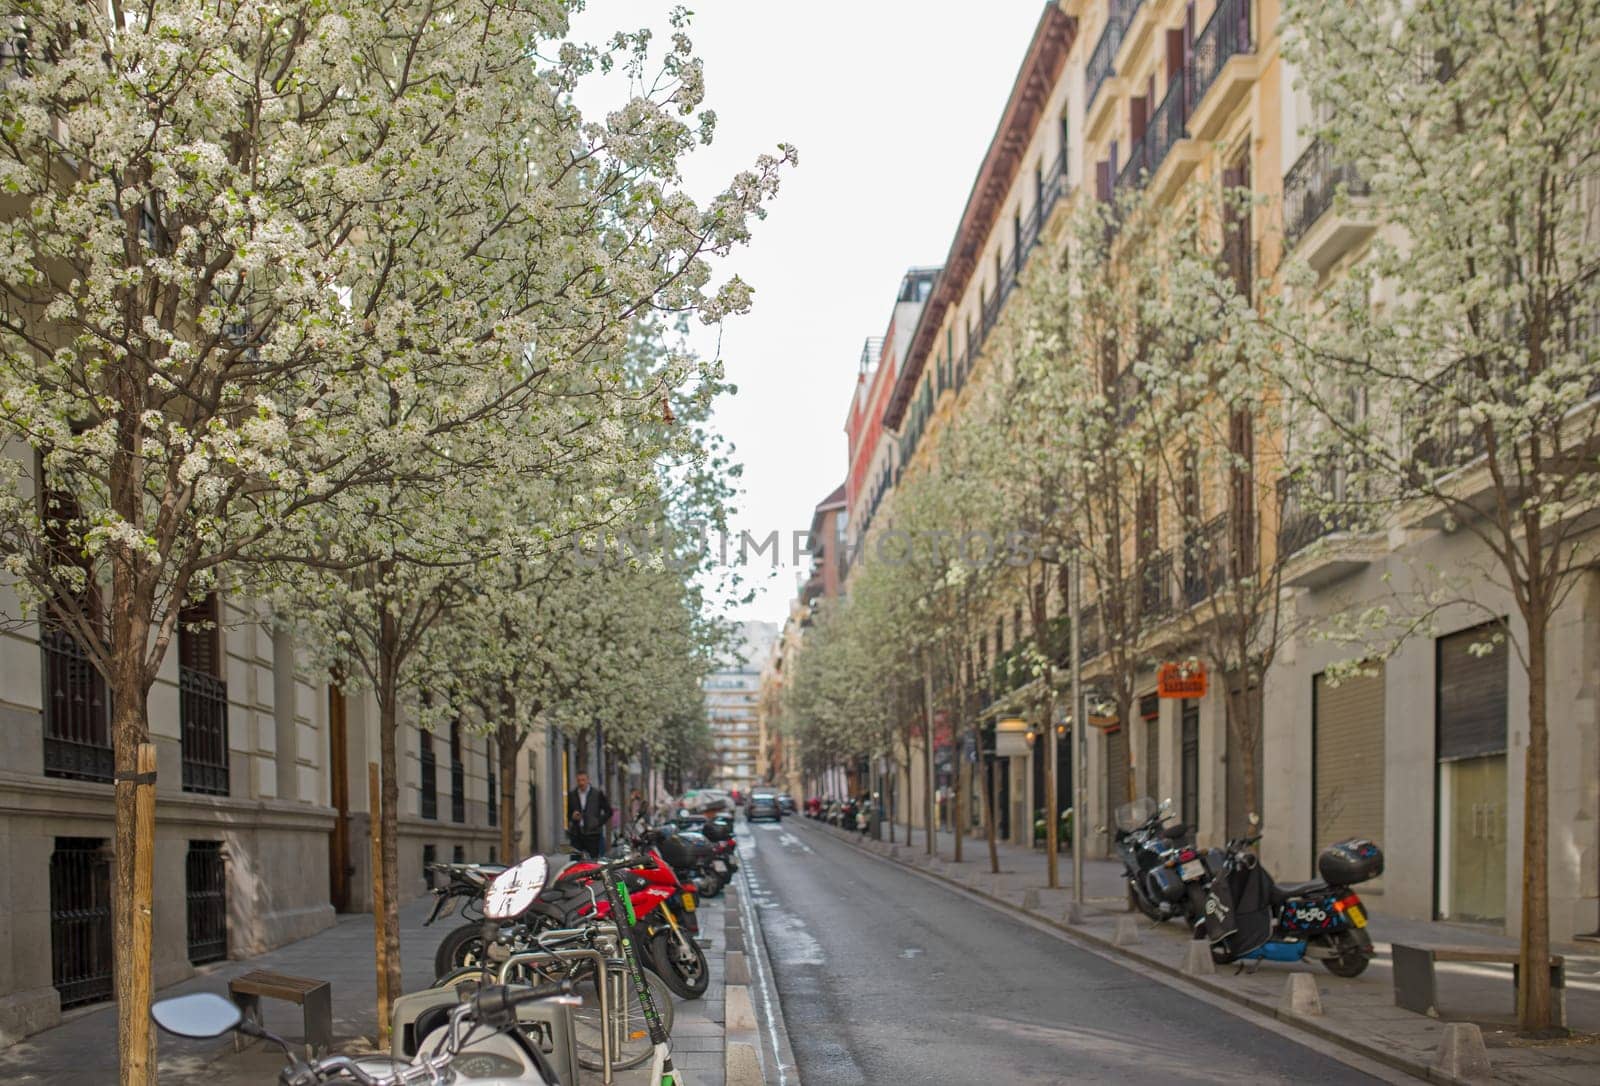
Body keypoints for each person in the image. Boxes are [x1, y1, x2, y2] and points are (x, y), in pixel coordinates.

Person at [567, 771, 613, 858]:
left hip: (592, 834)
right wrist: (572, 817)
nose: (581, 783)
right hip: (577, 834)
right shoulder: (572, 795)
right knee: (575, 861)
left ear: (588, 780)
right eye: (579, 780)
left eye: (583, 780)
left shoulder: (597, 794)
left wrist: (598, 822)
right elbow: (569, 814)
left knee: (593, 861)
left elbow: (609, 811)